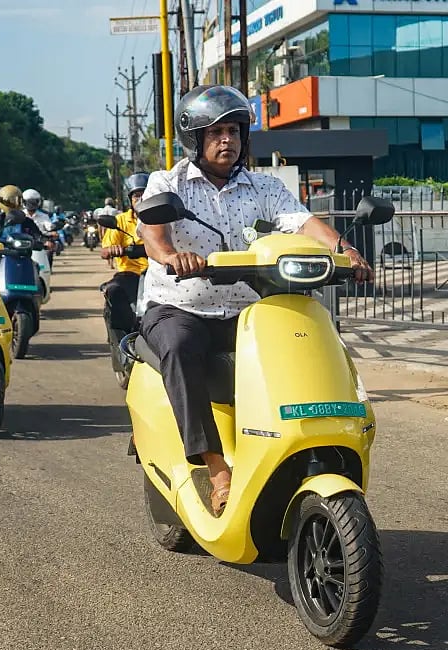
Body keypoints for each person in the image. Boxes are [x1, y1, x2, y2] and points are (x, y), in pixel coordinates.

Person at [136, 84, 373, 517]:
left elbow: (300, 221)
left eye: (234, 131)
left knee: (302, 337)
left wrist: (344, 249)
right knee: (179, 345)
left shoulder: (262, 186)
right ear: (194, 139)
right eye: (216, 132)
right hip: (181, 305)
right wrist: (174, 257)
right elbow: (155, 238)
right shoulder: (167, 183)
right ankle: (216, 469)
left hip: (246, 309)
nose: (227, 140)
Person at [100, 172, 150, 336]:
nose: (141, 199)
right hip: (130, 274)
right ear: (129, 199)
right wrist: (113, 250)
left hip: (158, 273)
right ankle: (120, 337)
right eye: (136, 196)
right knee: (114, 290)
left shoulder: (162, 219)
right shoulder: (120, 220)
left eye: (145, 194)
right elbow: (105, 250)